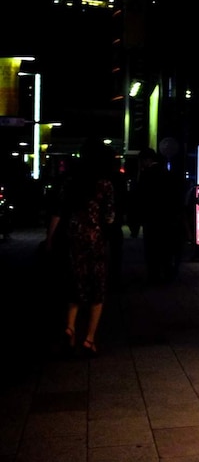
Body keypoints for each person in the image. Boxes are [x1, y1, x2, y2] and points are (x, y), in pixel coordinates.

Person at [45, 138, 116, 357]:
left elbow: (57, 212)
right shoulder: (105, 184)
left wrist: (49, 240)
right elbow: (110, 216)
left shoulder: (70, 181)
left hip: (72, 238)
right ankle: (89, 339)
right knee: (97, 289)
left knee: (74, 284)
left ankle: (70, 327)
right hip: (95, 239)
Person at [137, 147, 184, 284]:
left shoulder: (146, 176)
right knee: (166, 248)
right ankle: (168, 273)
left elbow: (141, 197)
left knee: (152, 248)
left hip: (152, 218)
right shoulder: (168, 174)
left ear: (146, 160)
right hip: (168, 217)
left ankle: (154, 275)